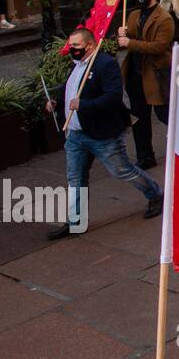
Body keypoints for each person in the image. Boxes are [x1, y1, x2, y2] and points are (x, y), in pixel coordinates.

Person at [45, 27, 163, 239]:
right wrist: (57, 103)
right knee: (75, 178)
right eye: (70, 46)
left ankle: (155, 194)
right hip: (75, 134)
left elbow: (113, 97)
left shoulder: (105, 64)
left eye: (76, 46)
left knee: (122, 170)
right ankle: (75, 221)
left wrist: (84, 104)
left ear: (89, 45)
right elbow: (69, 91)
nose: (71, 50)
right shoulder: (76, 65)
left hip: (102, 134)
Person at [117, 0, 173, 170]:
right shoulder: (133, 15)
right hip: (135, 74)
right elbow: (128, 38)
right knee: (139, 118)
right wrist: (121, 35)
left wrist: (129, 43)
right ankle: (145, 156)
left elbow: (159, 46)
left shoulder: (164, 18)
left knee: (163, 113)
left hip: (155, 75)